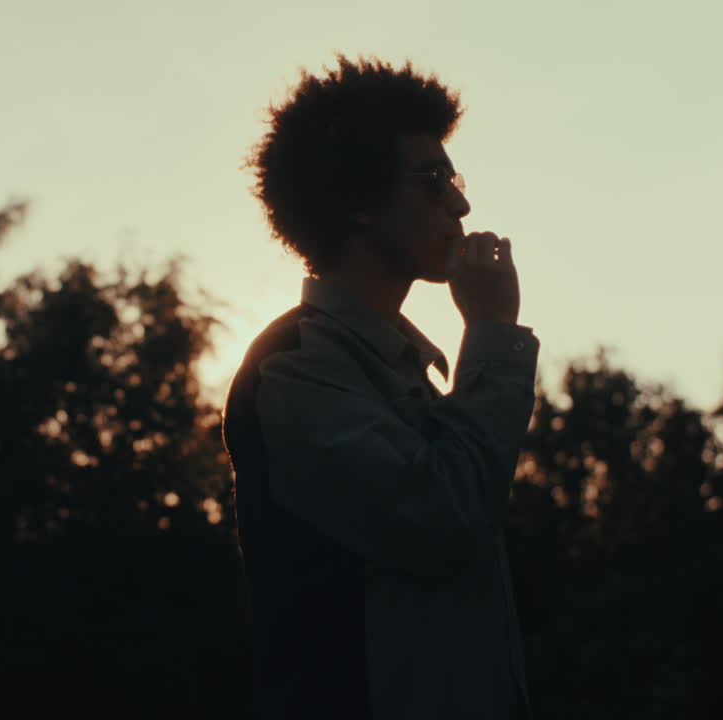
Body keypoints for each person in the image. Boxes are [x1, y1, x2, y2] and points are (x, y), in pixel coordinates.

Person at [222, 53, 539, 719]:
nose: (461, 202)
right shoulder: (297, 371)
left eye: (454, 177)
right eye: (434, 180)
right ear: (358, 203)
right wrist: (490, 332)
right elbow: (445, 519)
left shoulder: (395, 369)